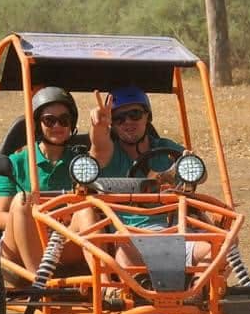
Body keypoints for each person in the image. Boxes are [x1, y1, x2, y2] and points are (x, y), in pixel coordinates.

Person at [88, 84, 212, 273]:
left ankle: (197, 292)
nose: (128, 122)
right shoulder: (110, 153)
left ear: (147, 116)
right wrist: (98, 127)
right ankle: (140, 297)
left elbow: (200, 176)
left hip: (177, 232)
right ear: (112, 124)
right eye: (119, 118)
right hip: (131, 237)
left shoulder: (165, 147)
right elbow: (99, 146)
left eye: (135, 114)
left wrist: (192, 166)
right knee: (124, 257)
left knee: (222, 248)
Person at [0, 86, 86, 275]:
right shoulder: (16, 162)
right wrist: (38, 219)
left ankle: (108, 282)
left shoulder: (81, 163)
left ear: (72, 124)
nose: (57, 126)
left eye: (64, 120)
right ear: (37, 124)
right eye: (49, 121)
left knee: (87, 210)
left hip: (63, 241)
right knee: (22, 201)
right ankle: (40, 283)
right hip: (21, 244)